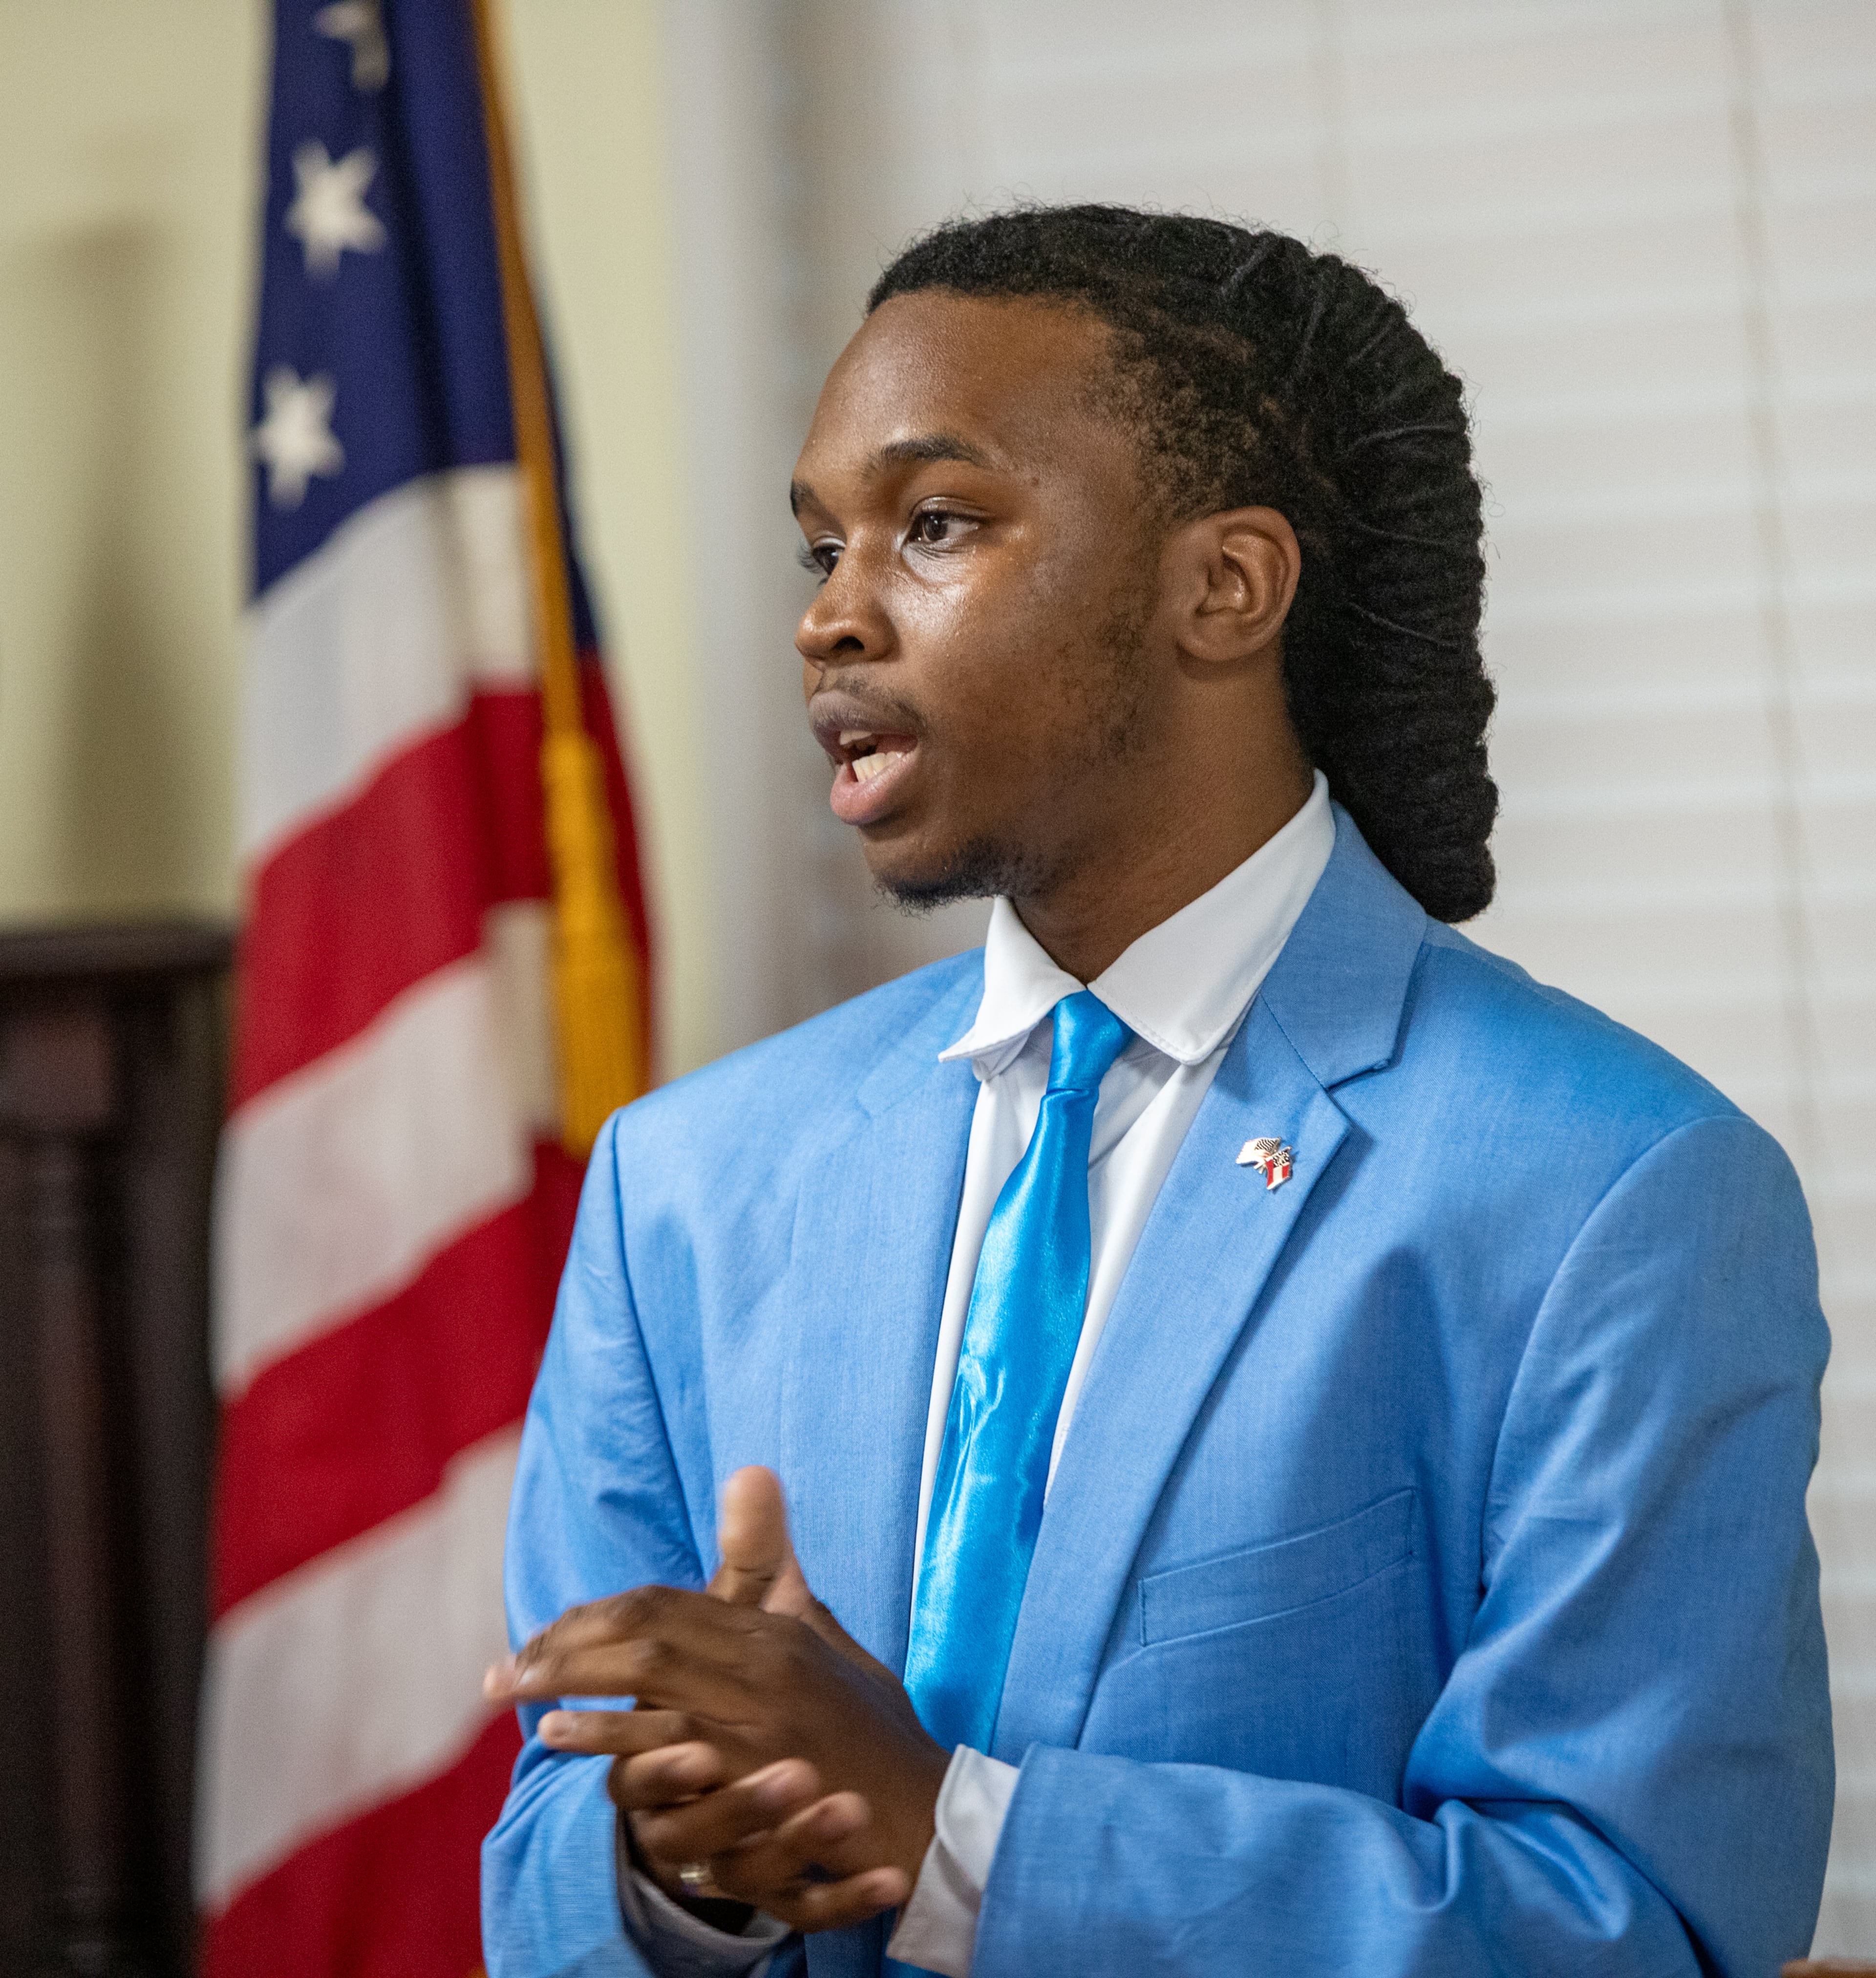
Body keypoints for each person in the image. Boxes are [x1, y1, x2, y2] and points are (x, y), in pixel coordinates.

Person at [479, 206, 1833, 1978]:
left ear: (1226, 586)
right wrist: (690, 1864)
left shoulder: (1617, 1192)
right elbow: (541, 1863)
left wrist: (953, 1838)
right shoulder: (686, 1180)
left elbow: (1642, 1925)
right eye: (819, 546)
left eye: (935, 524)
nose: (829, 617)